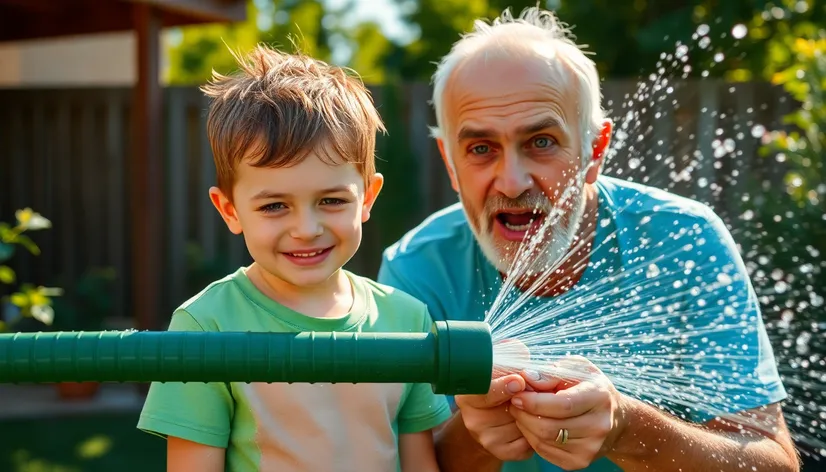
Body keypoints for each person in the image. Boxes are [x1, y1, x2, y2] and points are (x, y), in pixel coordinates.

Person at [377, 6, 800, 472]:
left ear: (594, 151)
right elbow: (402, 462)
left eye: (541, 142)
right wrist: (477, 435)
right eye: (481, 148)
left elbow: (773, 463)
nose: (513, 181)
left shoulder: (684, 241)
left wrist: (628, 427)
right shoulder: (417, 270)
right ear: (450, 163)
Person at [137, 44, 451, 472]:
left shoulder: (407, 321)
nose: (306, 228)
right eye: (274, 206)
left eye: (331, 200)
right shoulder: (205, 325)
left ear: (367, 197)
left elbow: (420, 462)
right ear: (230, 210)